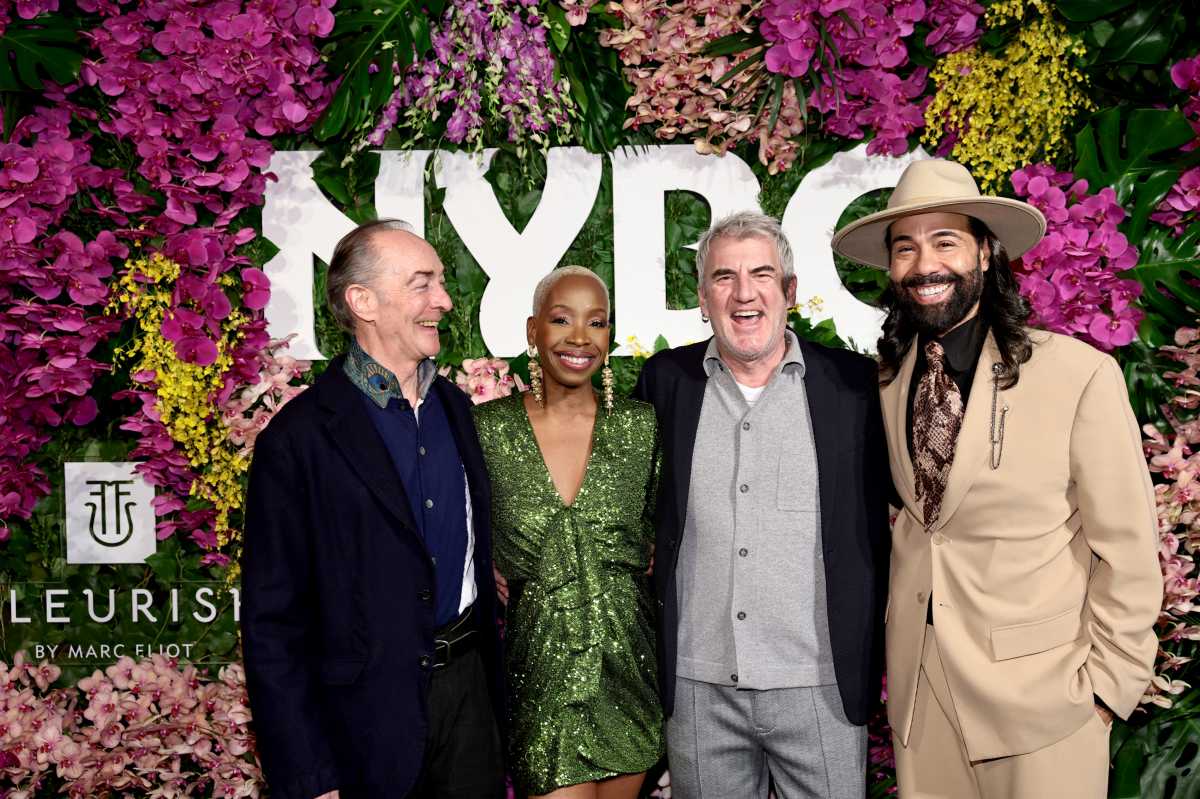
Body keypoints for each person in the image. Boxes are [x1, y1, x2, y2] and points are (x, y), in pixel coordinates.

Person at [831, 158, 1163, 798]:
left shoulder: (1078, 375)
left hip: (1046, 702)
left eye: (945, 242)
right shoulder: (888, 379)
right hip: (923, 698)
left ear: (985, 253)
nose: (924, 264)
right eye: (905, 248)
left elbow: (1127, 547)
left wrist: (1106, 689)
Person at [241, 219, 505, 799]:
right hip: (362, 723)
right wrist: (309, 774)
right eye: (422, 284)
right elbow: (272, 622)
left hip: (469, 706)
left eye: (440, 282)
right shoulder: (298, 439)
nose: (444, 300)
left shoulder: (457, 410)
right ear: (363, 302)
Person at [633, 212, 891, 798]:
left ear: (790, 291)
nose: (744, 293)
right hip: (699, 690)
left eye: (762, 275)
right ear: (703, 299)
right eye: (724, 277)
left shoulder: (855, 387)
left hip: (821, 687)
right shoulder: (665, 383)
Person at [474, 266, 662, 799]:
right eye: (561, 319)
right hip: (541, 678)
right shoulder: (488, 430)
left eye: (596, 322)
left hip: (628, 670)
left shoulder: (641, 426)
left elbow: (664, 534)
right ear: (533, 331)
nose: (579, 337)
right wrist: (485, 562)